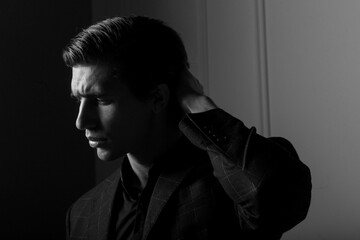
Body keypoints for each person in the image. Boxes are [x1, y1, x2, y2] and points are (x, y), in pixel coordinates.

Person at [63, 16, 311, 240]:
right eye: (78, 100)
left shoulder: (232, 187)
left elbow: (277, 198)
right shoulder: (82, 213)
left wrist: (196, 102)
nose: (81, 121)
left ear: (158, 98)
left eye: (101, 99)